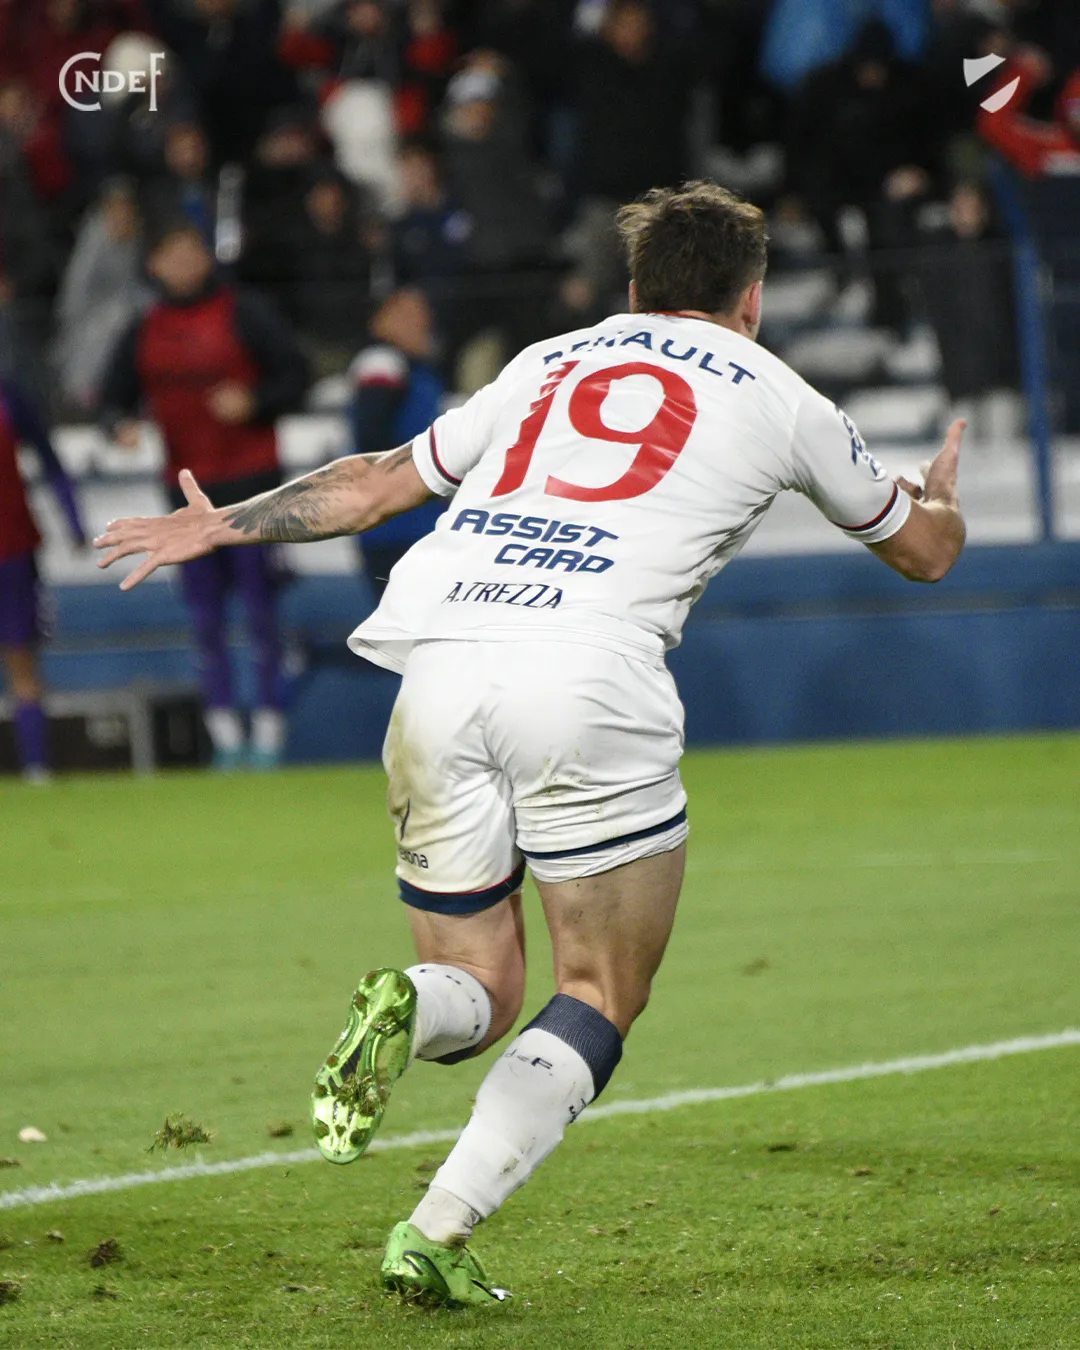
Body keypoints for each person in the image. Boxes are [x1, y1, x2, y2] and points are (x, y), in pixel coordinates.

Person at [94, 182, 966, 1304]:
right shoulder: (784, 395)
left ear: (636, 289)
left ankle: (413, 1003)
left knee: (479, 985)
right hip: (588, 674)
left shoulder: (548, 361)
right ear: (751, 298)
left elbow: (374, 485)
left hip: (440, 664)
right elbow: (922, 552)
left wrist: (225, 520)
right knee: (598, 987)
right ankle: (434, 1231)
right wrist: (940, 503)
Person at [98, 220, 309, 769]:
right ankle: (224, 734)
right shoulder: (144, 328)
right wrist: (119, 423)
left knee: (261, 612)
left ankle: (270, 732)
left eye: (192, 251)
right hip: (186, 495)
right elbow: (110, 397)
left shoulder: (245, 312)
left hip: (253, 489)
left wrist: (256, 401)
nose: (186, 262)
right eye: (173, 253)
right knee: (205, 618)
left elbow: (296, 375)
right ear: (154, 265)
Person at [0, 375, 86, 780]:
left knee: (21, 661)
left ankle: (37, 767)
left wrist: (74, 519)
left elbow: (49, 459)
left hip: (11, 548)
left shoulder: (9, 394)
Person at [347, 288, 446, 596]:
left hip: (411, 521)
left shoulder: (416, 368)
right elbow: (371, 435)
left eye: (422, 313)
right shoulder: (382, 362)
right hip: (395, 525)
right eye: (405, 314)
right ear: (379, 321)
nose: (419, 322)